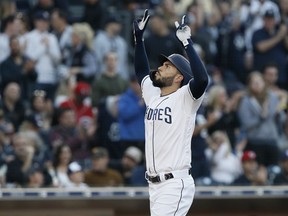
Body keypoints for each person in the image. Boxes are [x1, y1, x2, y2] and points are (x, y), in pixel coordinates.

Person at [133, 10, 209, 215]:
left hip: (175, 183)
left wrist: (187, 43)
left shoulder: (186, 98)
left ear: (179, 78)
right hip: (155, 186)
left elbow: (202, 80)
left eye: (167, 66)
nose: (160, 67)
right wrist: (139, 40)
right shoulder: (153, 94)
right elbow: (141, 71)